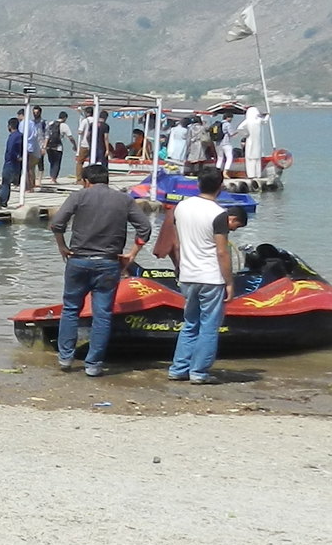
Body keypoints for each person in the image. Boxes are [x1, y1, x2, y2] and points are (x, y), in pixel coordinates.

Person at [48, 162, 152, 376]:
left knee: (70, 310)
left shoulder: (79, 197)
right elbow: (145, 228)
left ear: (86, 182)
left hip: (78, 260)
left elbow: (57, 223)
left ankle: (66, 358)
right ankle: (93, 365)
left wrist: (62, 246)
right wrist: (132, 254)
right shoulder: (124, 200)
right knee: (102, 314)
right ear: (106, 180)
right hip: (108, 262)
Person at [165, 163, 238, 384]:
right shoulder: (219, 214)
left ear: (198, 183)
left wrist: (179, 267)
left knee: (190, 323)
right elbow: (221, 252)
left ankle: (179, 368)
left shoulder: (181, 208)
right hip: (210, 277)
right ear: (221, 186)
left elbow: (176, 244)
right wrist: (229, 282)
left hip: (187, 275)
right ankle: (198, 372)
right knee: (209, 326)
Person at [45, 111, 69, 182]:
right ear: (65, 118)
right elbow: (70, 136)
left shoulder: (51, 123)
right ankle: (53, 178)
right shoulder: (64, 125)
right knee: (56, 163)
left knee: (52, 162)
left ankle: (51, 176)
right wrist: (74, 145)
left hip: (49, 146)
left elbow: (46, 133)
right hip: (58, 147)